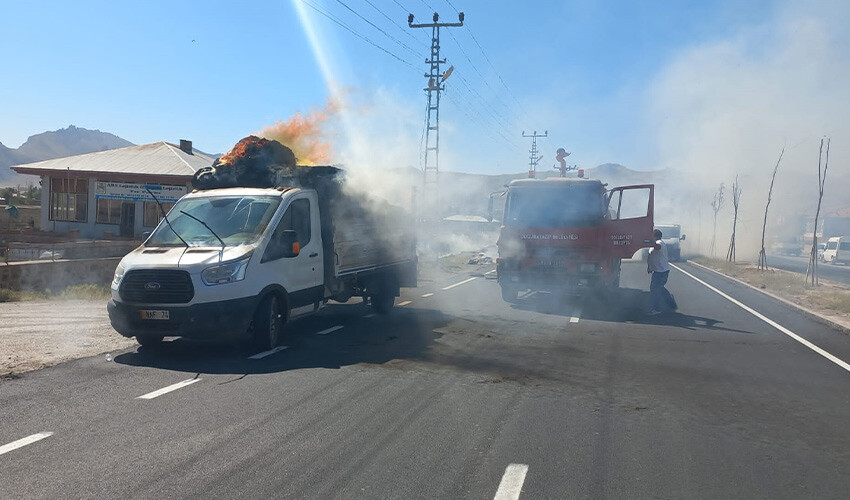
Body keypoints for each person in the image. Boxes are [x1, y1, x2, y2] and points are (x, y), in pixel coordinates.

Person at [647, 229, 677, 315]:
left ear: (655, 236)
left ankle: (657, 309)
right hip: (658, 270)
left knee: (655, 289)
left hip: (662, 271)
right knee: (659, 288)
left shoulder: (660, 243)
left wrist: (650, 241)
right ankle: (671, 303)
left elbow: (657, 247)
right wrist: (649, 267)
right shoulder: (654, 244)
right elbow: (652, 256)